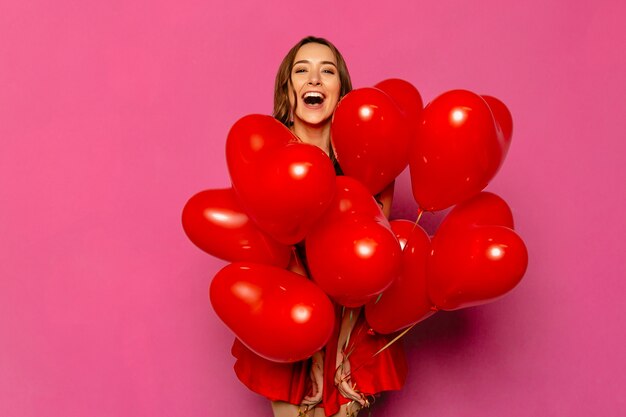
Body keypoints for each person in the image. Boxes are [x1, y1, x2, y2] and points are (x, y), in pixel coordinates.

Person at [231, 36, 407, 417]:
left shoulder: (368, 159)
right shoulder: (265, 157)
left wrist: (340, 351)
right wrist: (308, 352)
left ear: (340, 90)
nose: (314, 78)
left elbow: (372, 266)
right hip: (289, 321)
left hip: (350, 333)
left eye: (327, 71)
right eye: (301, 70)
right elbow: (271, 253)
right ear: (288, 88)